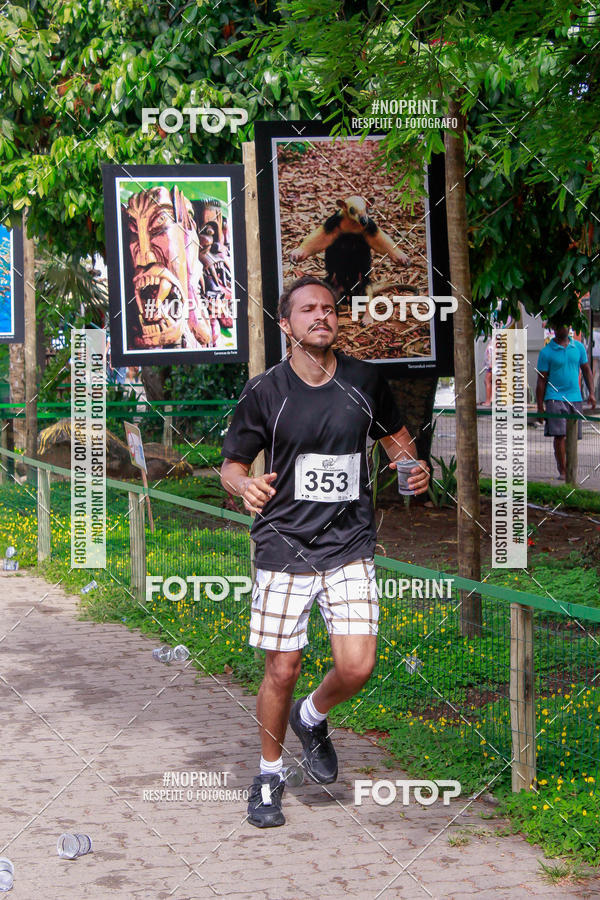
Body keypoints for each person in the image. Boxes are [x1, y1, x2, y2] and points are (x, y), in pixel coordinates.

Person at [220, 274, 430, 828]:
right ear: (286, 323)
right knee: (283, 667)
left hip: (349, 544)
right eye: (308, 309)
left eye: (330, 308)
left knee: (357, 666)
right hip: (284, 545)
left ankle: (311, 717)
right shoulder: (266, 391)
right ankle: (268, 776)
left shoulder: (365, 380)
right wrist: (244, 486)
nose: (321, 316)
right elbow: (231, 466)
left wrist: (415, 468)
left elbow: (399, 444)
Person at [536, 319, 596, 479]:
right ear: (553, 328)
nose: (561, 329)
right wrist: (540, 407)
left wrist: (591, 393)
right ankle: (562, 471)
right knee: (559, 436)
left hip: (575, 398)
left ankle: (570, 469)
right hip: (554, 398)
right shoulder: (546, 352)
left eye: (564, 325)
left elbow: (586, 370)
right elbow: (541, 381)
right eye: (558, 326)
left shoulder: (579, 347)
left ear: (569, 326)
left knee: (572, 436)